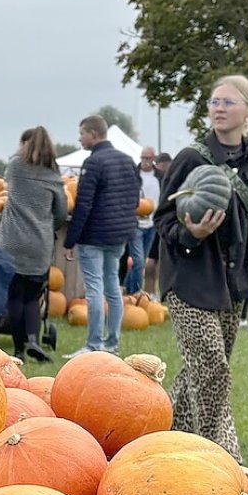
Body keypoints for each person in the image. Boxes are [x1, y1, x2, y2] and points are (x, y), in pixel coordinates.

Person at [152, 74, 248, 462]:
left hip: (234, 283)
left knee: (202, 369)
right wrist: (191, 233)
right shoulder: (191, 159)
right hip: (190, 278)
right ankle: (221, 457)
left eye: (228, 102)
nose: (218, 108)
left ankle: (166, 439)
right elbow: (162, 219)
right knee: (212, 368)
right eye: (213, 102)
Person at [62, 114, 140, 356]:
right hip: (119, 235)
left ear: (93, 134)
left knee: (94, 287)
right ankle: (112, 343)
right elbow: (135, 199)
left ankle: (94, 344)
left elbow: (83, 204)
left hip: (94, 235)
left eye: (82, 133)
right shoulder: (127, 160)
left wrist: (70, 239)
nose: (80, 138)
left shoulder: (93, 163)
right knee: (113, 287)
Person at [0, 126, 68, 362]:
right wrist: (47, 225)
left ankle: (18, 350)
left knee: (14, 297)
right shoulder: (54, 176)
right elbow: (61, 212)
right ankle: (34, 340)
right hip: (40, 243)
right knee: (32, 298)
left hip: (12, 241)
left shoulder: (15, 167)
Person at [124, 146, 160, 295]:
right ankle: (136, 292)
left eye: (147, 158)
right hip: (136, 223)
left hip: (152, 224)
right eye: (142, 158)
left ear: (153, 159)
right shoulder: (133, 175)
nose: (144, 161)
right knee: (138, 261)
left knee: (141, 260)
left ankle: (128, 289)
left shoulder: (160, 176)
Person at [143, 152, 172, 296]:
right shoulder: (158, 179)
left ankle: (158, 293)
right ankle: (151, 293)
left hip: (162, 222)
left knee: (157, 260)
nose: (164, 171)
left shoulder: (168, 180)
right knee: (152, 260)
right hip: (154, 222)